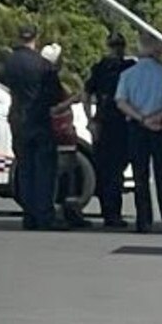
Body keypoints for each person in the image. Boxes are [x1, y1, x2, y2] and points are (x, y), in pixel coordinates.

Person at [0, 25, 63, 230]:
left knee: (25, 168)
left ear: (19, 37)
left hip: (18, 118)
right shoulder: (43, 65)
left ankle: (29, 215)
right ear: (36, 38)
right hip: (40, 119)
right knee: (44, 169)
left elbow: (1, 83)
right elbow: (55, 94)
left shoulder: (9, 64)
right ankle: (45, 215)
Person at [115, 32, 162, 234]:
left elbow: (120, 101)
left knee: (140, 176)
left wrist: (141, 118)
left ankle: (143, 219)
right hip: (159, 127)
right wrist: (159, 116)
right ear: (155, 48)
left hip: (137, 127)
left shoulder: (128, 75)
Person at [83, 32, 135, 228]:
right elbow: (86, 94)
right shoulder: (128, 67)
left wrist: (90, 120)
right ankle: (113, 214)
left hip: (105, 122)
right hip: (119, 123)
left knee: (107, 170)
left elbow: (85, 94)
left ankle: (109, 212)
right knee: (115, 171)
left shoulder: (100, 68)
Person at [40, 43, 92, 229]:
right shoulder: (49, 81)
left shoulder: (50, 80)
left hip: (65, 133)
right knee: (60, 176)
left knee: (69, 175)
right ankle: (59, 212)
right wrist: (72, 100)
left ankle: (70, 211)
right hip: (58, 133)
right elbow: (52, 109)